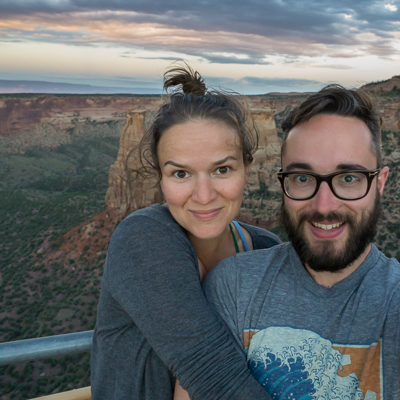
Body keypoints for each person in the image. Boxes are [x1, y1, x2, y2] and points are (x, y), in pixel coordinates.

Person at [91, 63, 281, 400]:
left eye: (222, 169)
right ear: (160, 177)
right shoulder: (143, 239)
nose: (204, 195)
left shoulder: (266, 249)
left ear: (247, 169)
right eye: (181, 174)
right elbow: (213, 375)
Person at [203, 85, 400, 399]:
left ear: (380, 183)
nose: (324, 206)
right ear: (282, 183)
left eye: (349, 178)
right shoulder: (233, 287)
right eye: (303, 178)